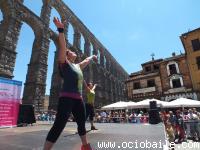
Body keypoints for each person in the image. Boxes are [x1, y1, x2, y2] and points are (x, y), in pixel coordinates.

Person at [43, 17, 97, 150]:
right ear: (67, 56)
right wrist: (61, 29)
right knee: (59, 124)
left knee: (81, 124)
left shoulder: (78, 66)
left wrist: (92, 56)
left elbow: (86, 61)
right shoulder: (64, 63)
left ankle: (85, 146)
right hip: (66, 98)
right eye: (71, 51)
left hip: (78, 99)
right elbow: (62, 46)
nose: (74, 51)